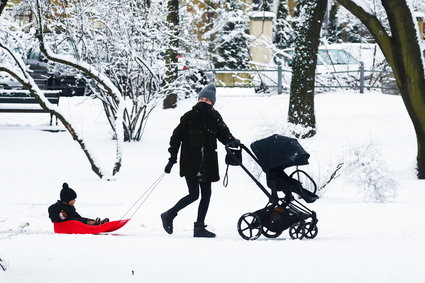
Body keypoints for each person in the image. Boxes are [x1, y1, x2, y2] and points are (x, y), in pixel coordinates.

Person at [161, 83, 239, 238]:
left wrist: (232, 141)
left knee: (206, 195)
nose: (204, 102)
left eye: (207, 100)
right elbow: (176, 137)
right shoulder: (189, 117)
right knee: (194, 194)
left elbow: (224, 134)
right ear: (198, 99)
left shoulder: (215, 117)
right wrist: (172, 158)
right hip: (191, 161)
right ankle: (169, 214)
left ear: (212, 102)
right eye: (201, 98)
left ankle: (199, 227)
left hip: (208, 162)